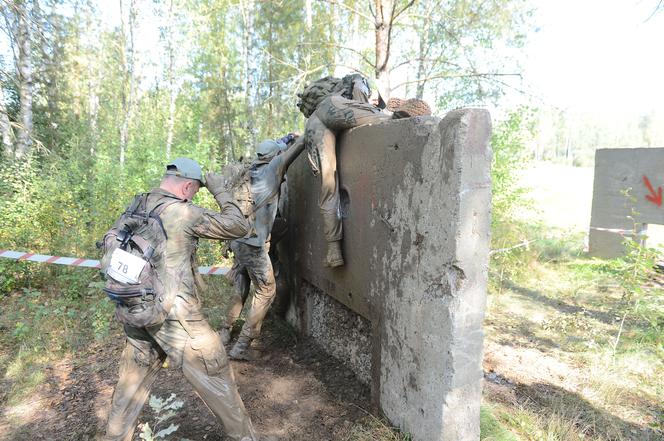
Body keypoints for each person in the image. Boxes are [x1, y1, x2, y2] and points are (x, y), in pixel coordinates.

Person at [104, 157, 257, 441]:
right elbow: (238, 226)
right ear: (187, 187)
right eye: (196, 191)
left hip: (137, 308)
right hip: (177, 316)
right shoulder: (182, 213)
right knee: (215, 372)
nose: (194, 196)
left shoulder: (136, 205)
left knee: (130, 385)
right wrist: (219, 190)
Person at [299, 74, 430, 267]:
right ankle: (402, 113)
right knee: (388, 120)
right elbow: (359, 91)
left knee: (328, 186)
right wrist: (372, 107)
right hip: (335, 107)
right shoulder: (352, 81)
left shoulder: (311, 118)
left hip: (315, 127)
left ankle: (333, 250)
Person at [221, 134, 305, 361]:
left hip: (237, 240)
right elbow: (298, 147)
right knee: (267, 290)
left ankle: (224, 332)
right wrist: (306, 133)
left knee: (242, 283)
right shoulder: (272, 170)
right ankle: (243, 345)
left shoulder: (249, 172)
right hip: (253, 244)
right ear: (274, 157)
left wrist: (286, 138)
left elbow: (278, 147)